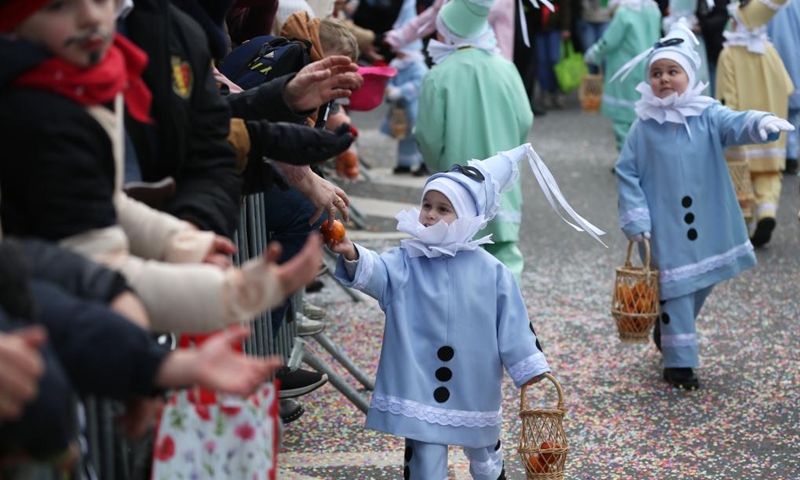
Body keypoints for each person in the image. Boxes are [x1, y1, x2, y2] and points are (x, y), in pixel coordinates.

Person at [0, 0, 323, 334]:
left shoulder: (88, 74)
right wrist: (240, 294)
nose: (90, 16)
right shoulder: (35, 107)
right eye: (57, 5)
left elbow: (106, 199)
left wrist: (184, 241)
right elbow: (91, 259)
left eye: (101, 1)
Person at [328, 143, 603, 480]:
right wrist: (352, 252)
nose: (430, 214)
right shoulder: (406, 260)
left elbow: (513, 323)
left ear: (469, 217)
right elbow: (378, 272)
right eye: (427, 204)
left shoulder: (491, 271)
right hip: (419, 382)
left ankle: (492, 468)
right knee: (424, 453)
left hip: (473, 377)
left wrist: (528, 366)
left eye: (444, 209)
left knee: (481, 445)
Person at [612, 22, 794, 389]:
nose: (664, 79)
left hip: (709, 222)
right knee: (677, 291)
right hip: (665, 228)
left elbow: (734, 123)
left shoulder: (707, 113)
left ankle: (670, 332)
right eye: (657, 73)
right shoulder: (643, 127)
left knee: (697, 287)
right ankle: (680, 364)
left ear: (689, 75)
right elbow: (626, 172)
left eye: (673, 71)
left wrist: (760, 122)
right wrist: (636, 218)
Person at [414, 0, 533, 280]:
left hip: (455, 190)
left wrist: (439, 169)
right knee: (505, 264)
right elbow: (525, 120)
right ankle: (505, 320)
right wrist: (508, 160)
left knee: (455, 265)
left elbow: (427, 137)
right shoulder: (506, 68)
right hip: (501, 186)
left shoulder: (437, 75)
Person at [715, 0, 794, 246]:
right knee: (770, 173)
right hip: (773, 124)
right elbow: (788, 86)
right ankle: (767, 213)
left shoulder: (729, 54)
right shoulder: (769, 51)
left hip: (745, 129)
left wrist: (728, 118)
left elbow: (727, 93)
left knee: (742, 176)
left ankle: (748, 223)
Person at [583, 0, 661, 153]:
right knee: (644, 116)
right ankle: (643, 157)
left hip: (624, 70)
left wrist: (594, 53)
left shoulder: (624, 13)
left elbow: (610, 40)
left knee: (623, 120)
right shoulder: (653, 10)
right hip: (649, 68)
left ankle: (627, 160)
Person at [381, 42, 428, 175]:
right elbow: (390, 79)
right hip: (401, 107)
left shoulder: (418, 66)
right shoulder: (396, 64)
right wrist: (390, 88)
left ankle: (424, 163)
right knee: (403, 134)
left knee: (418, 135)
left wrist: (401, 91)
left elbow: (419, 83)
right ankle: (405, 163)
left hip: (415, 106)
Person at [768, 0, 800, 175]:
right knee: (793, 112)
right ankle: (791, 155)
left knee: (774, 108)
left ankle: (779, 156)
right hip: (794, 56)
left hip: (773, 56)